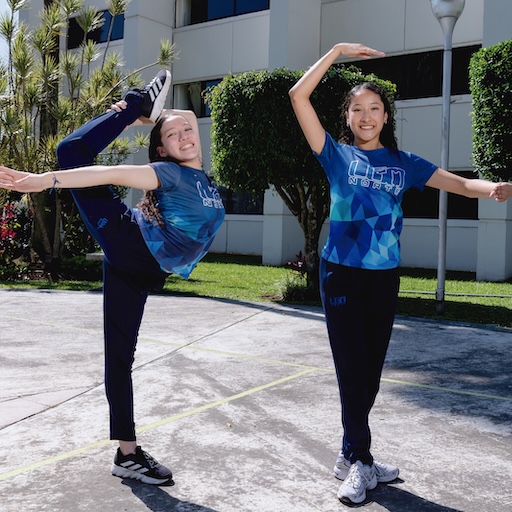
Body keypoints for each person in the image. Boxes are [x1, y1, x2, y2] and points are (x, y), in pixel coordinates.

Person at [289, 42, 512, 505]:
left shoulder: (403, 163)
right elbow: (298, 95)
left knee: (370, 373)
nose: (365, 116)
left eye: (374, 108)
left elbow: (458, 183)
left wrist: (491, 187)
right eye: (356, 109)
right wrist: (336, 51)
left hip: (384, 276)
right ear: (347, 116)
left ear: (386, 115)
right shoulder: (335, 155)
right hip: (341, 274)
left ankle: (350, 454)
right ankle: (362, 462)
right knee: (352, 370)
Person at [0, 70, 225, 485]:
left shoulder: (202, 177)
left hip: (141, 270)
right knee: (71, 152)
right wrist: (45, 182)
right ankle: (134, 100)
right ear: (161, 148)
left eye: (187, 131)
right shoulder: (166, 172)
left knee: (120, 359)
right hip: (130, 243)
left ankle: (126, 455)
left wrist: (152, 117)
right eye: (173, 135)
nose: (184, 134)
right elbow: (105, 174)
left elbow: (188, 116)